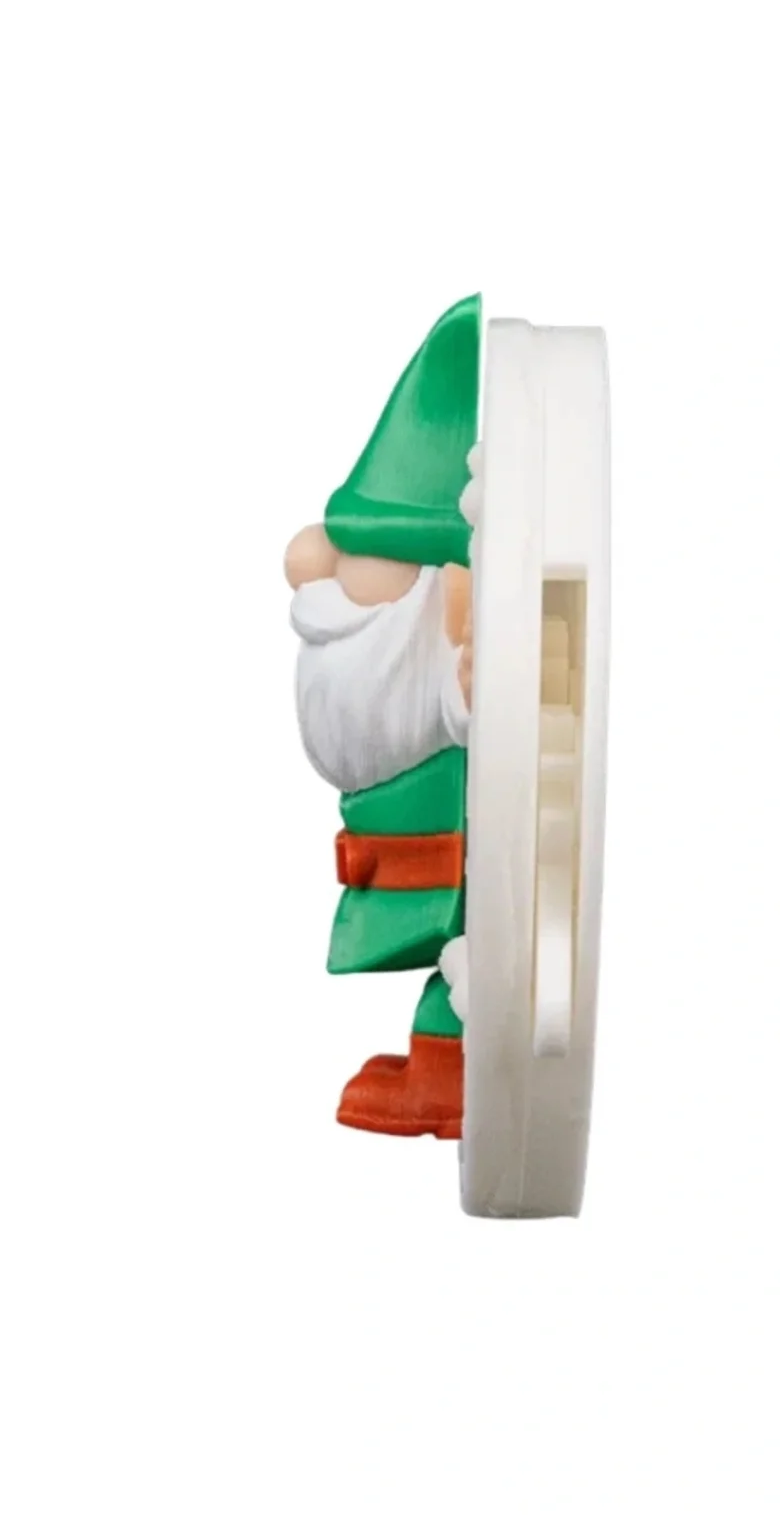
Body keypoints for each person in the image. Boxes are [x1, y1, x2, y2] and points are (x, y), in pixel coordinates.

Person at [283, 296, 478, 1137]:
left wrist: (470, 679)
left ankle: (451, 1078)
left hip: (445, 854)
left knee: (469, 959)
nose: (316, 572)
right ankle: (446, 1072)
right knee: (460, 961)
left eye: (361, 557)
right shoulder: (388, 649)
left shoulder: (440, 658)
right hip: (392, 841)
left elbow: (468, 709)